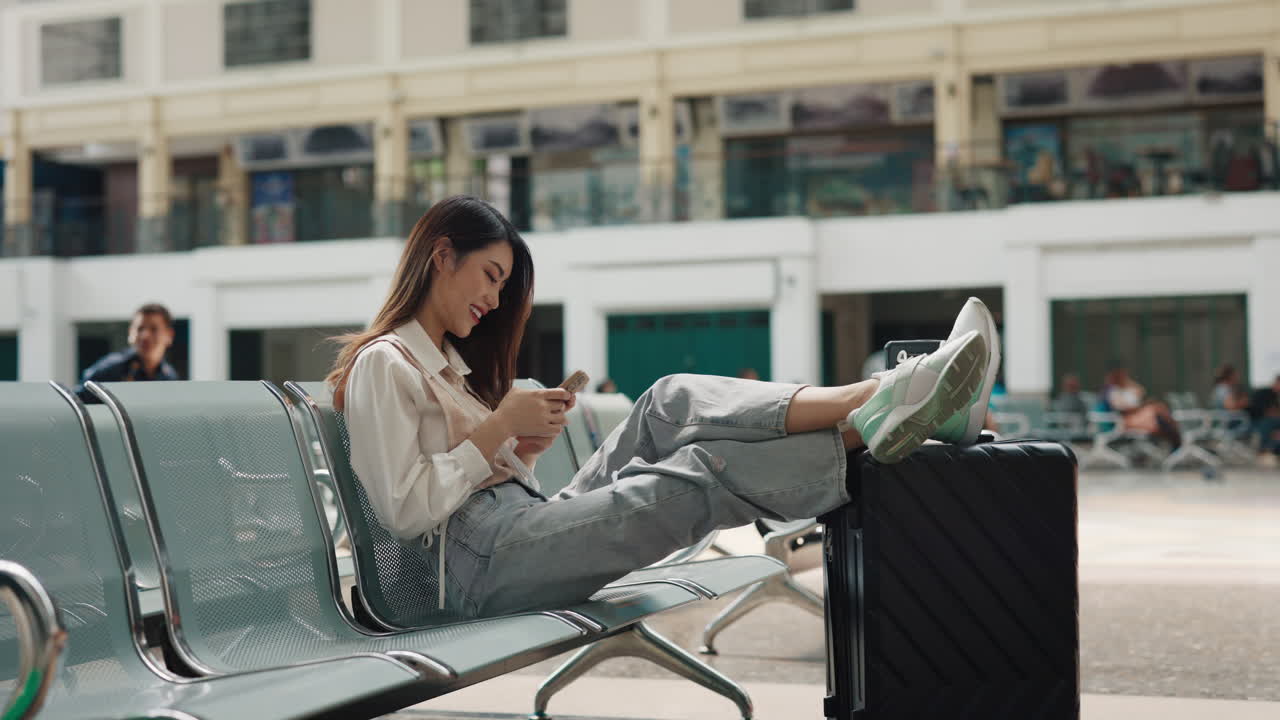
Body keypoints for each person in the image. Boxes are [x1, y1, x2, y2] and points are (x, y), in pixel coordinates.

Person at [328, 196, 998, 619]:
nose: (495, 301)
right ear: (442, 256)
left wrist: (518, 450)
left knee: (667, 398)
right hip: (476, 571)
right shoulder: (386, 363)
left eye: (502, 286)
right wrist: (497, 429)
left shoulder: (445, 366)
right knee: (698, 473)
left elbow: (463, 479)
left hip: (512, 534)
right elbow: (404, 511)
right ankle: (886, 410)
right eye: (491, 277)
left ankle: (874, 400)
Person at [74, 303, 179, 403]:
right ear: (130, 333)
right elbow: (77, 401)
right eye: (140, 328)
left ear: (169, 335)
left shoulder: (169, 377)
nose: (145, 335)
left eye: (154, 329)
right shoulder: (110, 369)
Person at [1101, 365, 1181, 448]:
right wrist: (1141, 406)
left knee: (1157, 409)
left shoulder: (1125, 389)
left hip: (1135, 417)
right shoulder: (1113, 391)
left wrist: (1128, 382)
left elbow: (1141, 391)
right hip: (1125, 421)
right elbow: (1122, 408)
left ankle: (1174, 437)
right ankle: (1175, 439)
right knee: (1156, 411)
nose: (1124, 378)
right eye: (1122, 376)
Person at [1247, 375, 1280, 467]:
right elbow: (1266, 411)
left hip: (1269, 421)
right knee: (1267, 424)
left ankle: (1269, 451)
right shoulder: (1265, 393)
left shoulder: (1275, 395)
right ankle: (1264, 451)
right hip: (1257, 420)